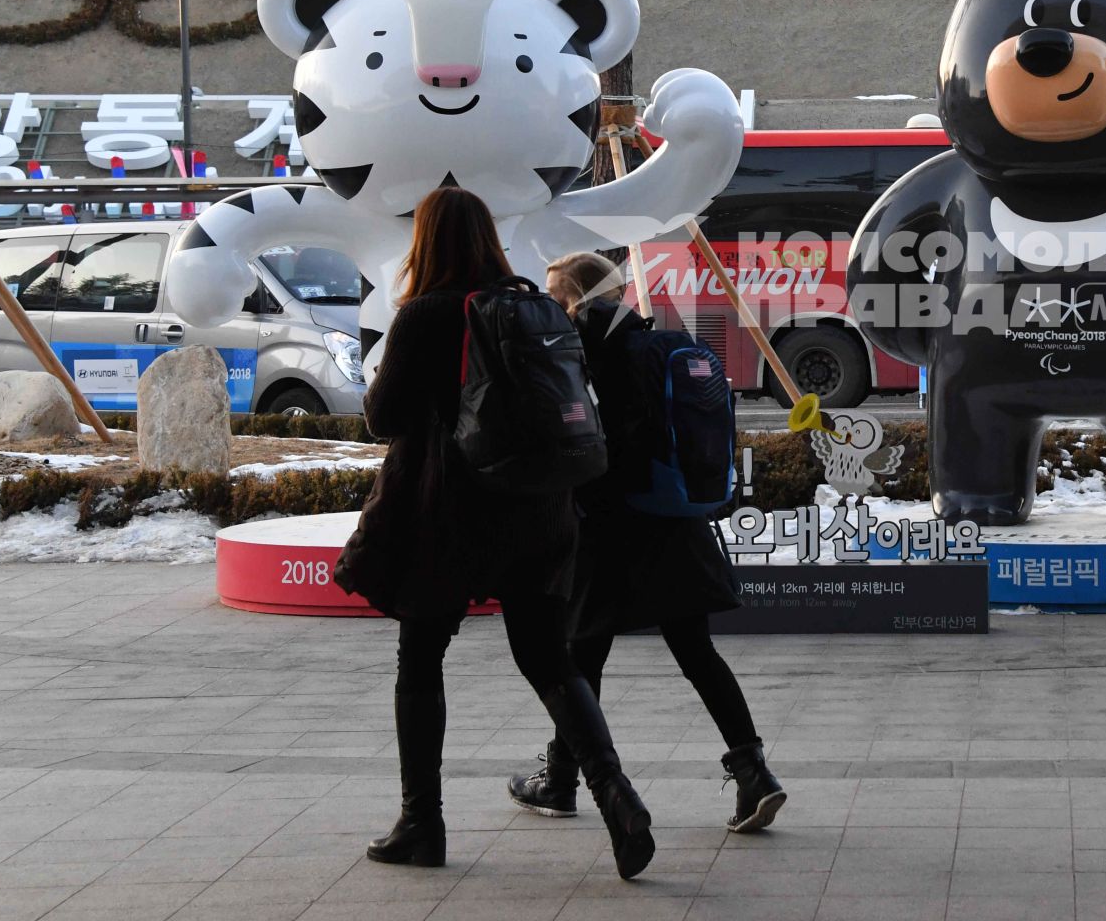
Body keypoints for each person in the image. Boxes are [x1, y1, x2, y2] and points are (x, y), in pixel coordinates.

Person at [333, 188, 656, 879]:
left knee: (420, 660)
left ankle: (422, 822)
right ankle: (617, 797)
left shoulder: (424, 314)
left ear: (426, 243)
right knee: (550, 661)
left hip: (449, 512)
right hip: (539, 509)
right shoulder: (531, 305)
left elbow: (383, 417)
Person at [507, 251, 787, 833]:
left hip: (612, 528)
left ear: (580, 298)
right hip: (674, 519)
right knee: (697, 655)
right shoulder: (658, 342)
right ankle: (754, 773)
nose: (551, 306)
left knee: (580, 655)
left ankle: (561, 780)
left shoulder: (589, 350)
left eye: (557, 295)